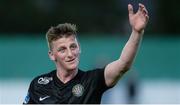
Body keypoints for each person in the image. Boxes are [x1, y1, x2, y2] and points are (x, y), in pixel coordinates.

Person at [23, 3, 149, 104]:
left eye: (73, 47)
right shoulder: (38, 84)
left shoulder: (92, 81)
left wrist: (137, 32)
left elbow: (123, 65)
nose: (70, 54)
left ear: (79, 48)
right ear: (52, 55)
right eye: (62, 49)